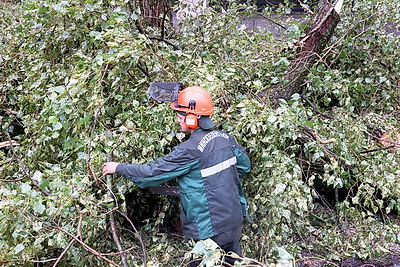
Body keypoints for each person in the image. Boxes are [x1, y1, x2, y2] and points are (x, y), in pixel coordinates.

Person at [102, 86, 251, 266]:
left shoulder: (189, 150)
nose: (177, 119)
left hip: (209, 228)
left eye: (180, 115)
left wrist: (118, 167)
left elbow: (150, 175)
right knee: (233, 262)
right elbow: (244, 166)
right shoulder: (225, 138)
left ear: (192, 119)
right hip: (233, 219)